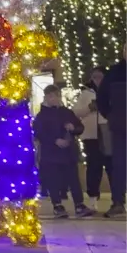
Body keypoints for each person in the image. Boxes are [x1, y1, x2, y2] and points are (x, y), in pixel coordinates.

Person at [33, 84, 96, 218]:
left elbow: (80, 127)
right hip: (51, 153)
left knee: (73, 179)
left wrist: (73, 127)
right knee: (53, 180)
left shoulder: (66, 112)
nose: (53, 99)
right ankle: (57, 205)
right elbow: (39, 132)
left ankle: (79, 204)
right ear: (46, 97)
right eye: (50, 96)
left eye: (56, 96)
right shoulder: (41, 115)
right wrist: (54, 140)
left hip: (68, 153)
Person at [97, 49, 126, 218]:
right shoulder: (114, 73)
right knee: (119, 166)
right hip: (120, 127)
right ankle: (118, 203)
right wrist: (111, 115)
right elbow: (102, 98)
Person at [73, 69, 108, 203]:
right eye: (95, 77)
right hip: (91, 135)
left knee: (111, 165)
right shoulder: (86, 94)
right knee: (94, 166)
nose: (97, 80)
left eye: (100, 77)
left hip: (107, 133)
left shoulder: (109, 91)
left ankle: (118, 200)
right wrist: (89, 107)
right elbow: (76, 112)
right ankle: (93, 196)